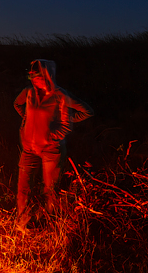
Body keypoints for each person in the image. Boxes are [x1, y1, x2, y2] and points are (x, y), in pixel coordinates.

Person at [14, 59, 94, 226]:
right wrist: (28, 121)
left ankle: (50, 223)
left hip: (51, 149)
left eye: (37, 76)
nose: (34, 80)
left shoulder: (60, 95)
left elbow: (84, 114)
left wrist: (52, 134)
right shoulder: (28, 93)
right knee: (23, 188)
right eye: (31, 77)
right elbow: (17, 104)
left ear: (47, 76)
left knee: (50, 190)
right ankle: (23, 224)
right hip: (29, 148)